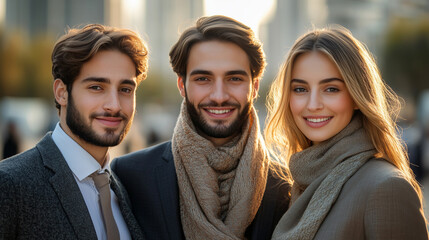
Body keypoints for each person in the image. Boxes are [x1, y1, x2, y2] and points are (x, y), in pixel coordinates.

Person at [112, 15, 290, 240]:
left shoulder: (286, 186)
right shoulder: (130, 176)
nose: (218, 96)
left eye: (234, 79)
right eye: (203, 79)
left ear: (254, 87)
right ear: (182, 85)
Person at [264, 26, 428, 239]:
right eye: (300, 89)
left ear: (357, 97)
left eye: (331, 89)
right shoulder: (299, 184)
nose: (313, 105)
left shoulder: (387, 187)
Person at [0, 24, 148, 239]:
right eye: (97, 87)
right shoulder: (10, 185)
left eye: (125, 89)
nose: (114, 105)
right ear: (62, 93)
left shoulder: (128, 189)